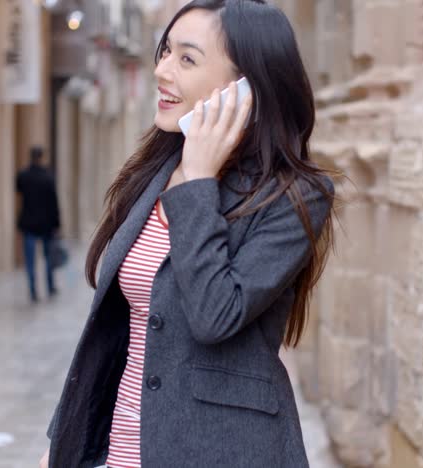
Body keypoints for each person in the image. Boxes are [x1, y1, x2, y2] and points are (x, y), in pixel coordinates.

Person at [40, 1, 336, 467]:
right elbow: (113, 329)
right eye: (164, 52)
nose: (162, 70)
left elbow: (215, 315)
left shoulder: (296, 195)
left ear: (246, 85)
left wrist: (199, 180)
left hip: (222, 450)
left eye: (186, 58)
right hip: (123, 447)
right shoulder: (156, 169)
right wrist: (63, 439)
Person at [16, 146, 60, 303]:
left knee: (30, 260)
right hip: (46, 224)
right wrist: (57, 224)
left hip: (28, 223)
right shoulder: (48, 177)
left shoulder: (23, 175)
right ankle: (50, 286)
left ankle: (33, 290)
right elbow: (54, 202)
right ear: (42, 157)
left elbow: (18, 189)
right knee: (48, 257)